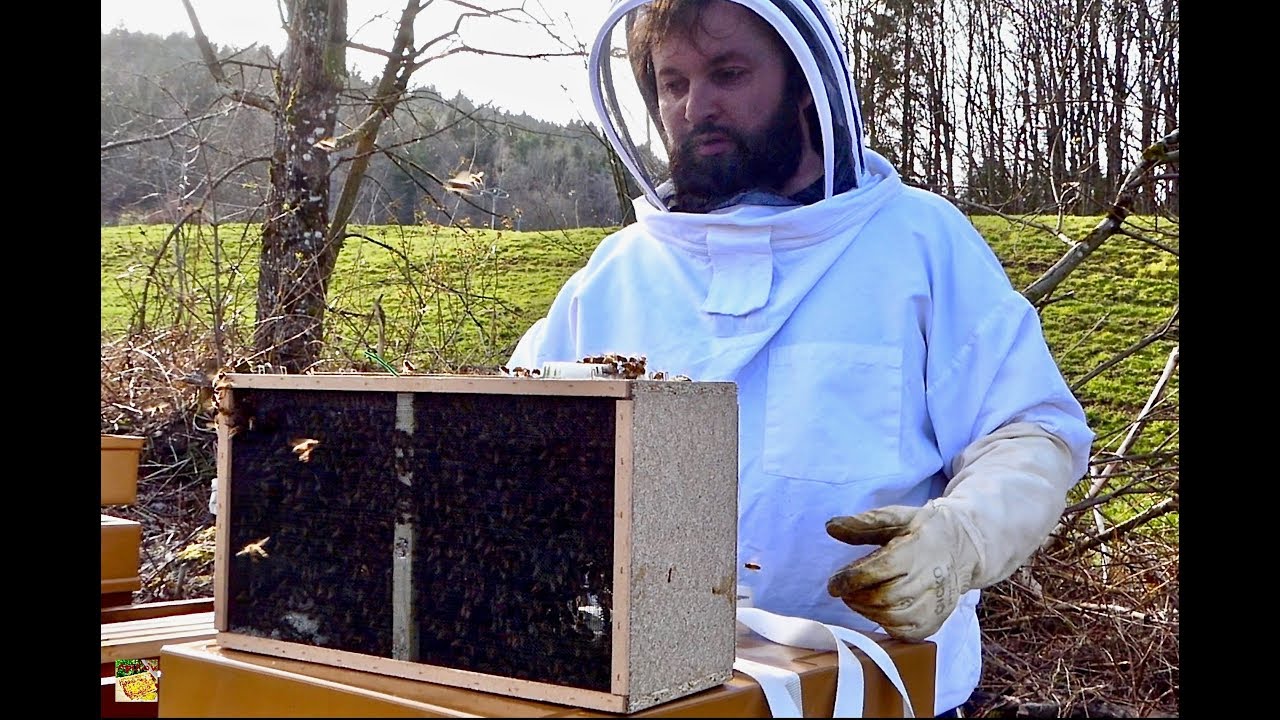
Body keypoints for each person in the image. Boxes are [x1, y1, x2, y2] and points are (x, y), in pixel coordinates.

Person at [506, 0, 1095, 715]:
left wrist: (962, 535)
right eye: (673, 82)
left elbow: (1033, 430)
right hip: (661, 691)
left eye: (728, 73)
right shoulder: (614, 273)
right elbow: (510, 432)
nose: (697, 106)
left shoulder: (917, 241)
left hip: (881, 688)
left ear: (803, 83)